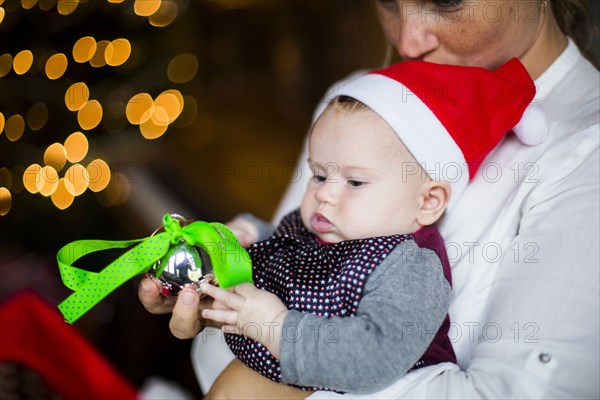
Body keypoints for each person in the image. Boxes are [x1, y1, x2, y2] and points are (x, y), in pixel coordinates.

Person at [139, 0, 599, 398]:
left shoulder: (586, 152)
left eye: (446, 0)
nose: (407, 39)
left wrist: (257, 376)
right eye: (387, 2)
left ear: (431, 199)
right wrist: (217, 279)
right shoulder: (359, 103)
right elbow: (270, 286)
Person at [196, 58, 542, 394]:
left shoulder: (407, 267)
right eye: (318, 174)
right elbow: (283, 249)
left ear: (427, 202)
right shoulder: (322, 227)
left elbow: (373, 355)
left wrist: (275, 327)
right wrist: (246, 237)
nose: (325, 193)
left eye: (356, 182)